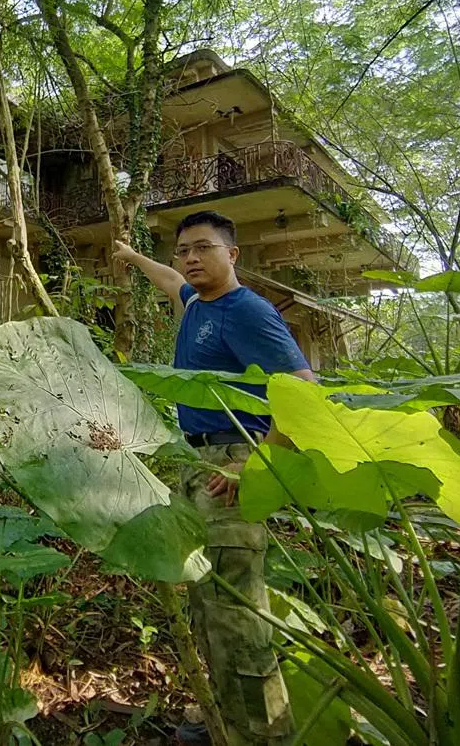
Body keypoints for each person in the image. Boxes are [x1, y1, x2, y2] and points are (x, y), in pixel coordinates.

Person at [113, 210, 316, 746]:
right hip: (199, 461)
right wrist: (132, 257)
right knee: (207, 601)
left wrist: (257, 463)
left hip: (234, 462)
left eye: (203, 247)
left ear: (233, 254)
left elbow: (303, 387)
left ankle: (265, 735)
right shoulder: (198, 304)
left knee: (237, 613)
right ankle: (224, 717)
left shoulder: (247, 310)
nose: (191, 259)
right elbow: (170, 281)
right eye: (184, 250)